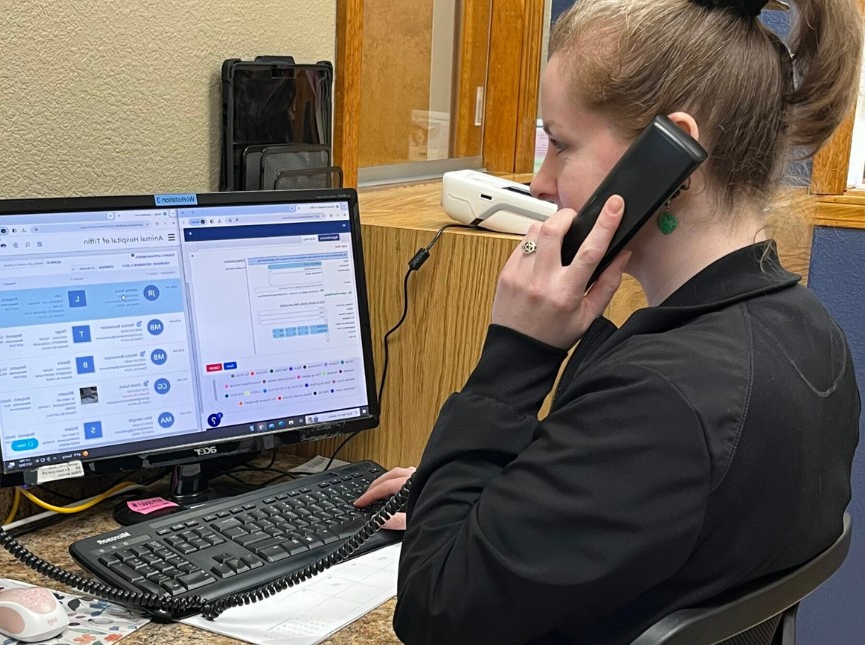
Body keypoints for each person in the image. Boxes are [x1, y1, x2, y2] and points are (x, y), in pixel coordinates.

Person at [354, 0, 863, 643]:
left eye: (560, 145)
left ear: (672, 152)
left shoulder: (664, 400)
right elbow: (638, 500)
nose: (539, 185)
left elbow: (435, 614)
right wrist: (469, 490)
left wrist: (516, 353)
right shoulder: (810, 334)